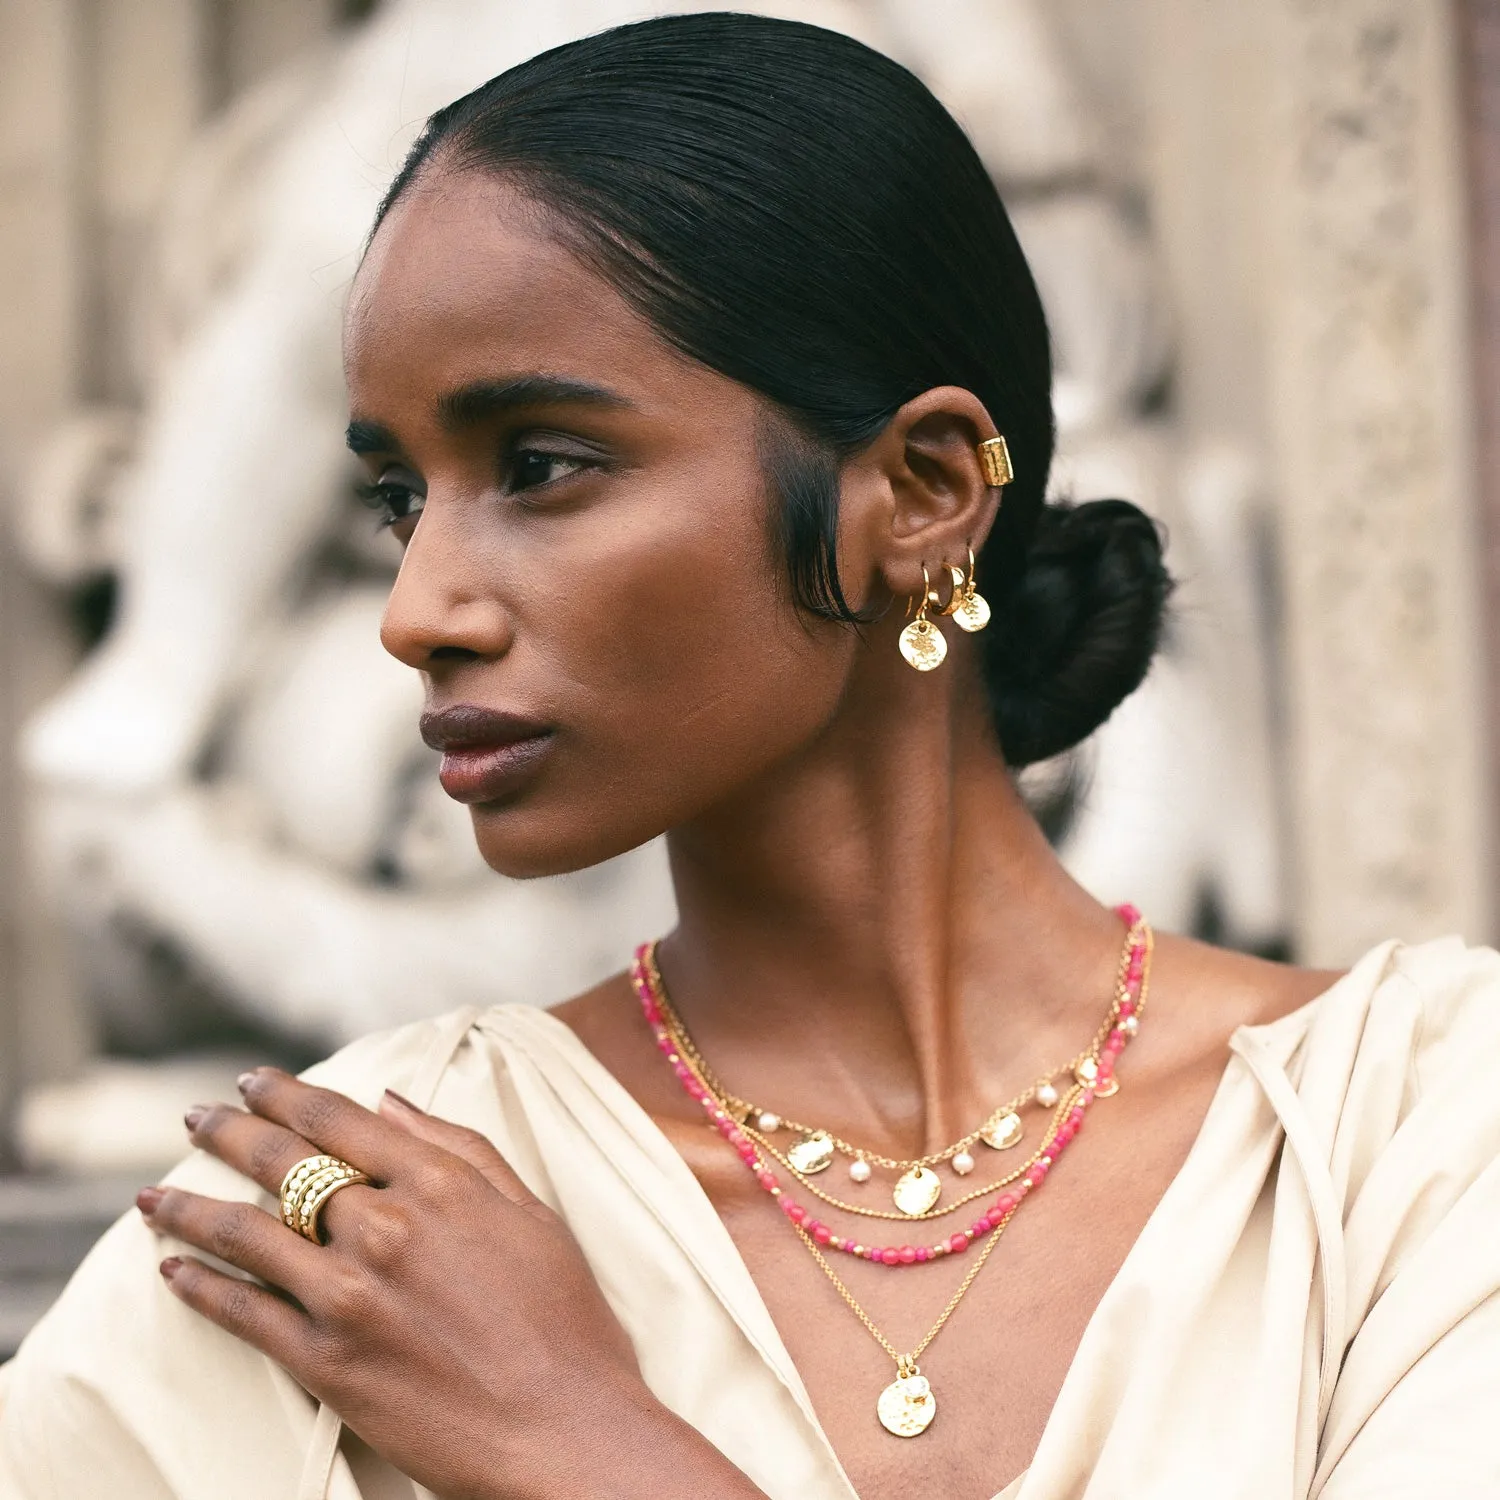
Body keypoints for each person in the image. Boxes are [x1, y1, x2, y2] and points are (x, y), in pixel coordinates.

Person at [4, 13, 1499, 1499]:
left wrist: (568, 1437)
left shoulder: (1409, 1134)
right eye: (403, 499)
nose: (414, 613)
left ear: (919, 491)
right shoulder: (344, 1223)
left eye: (539, 465)